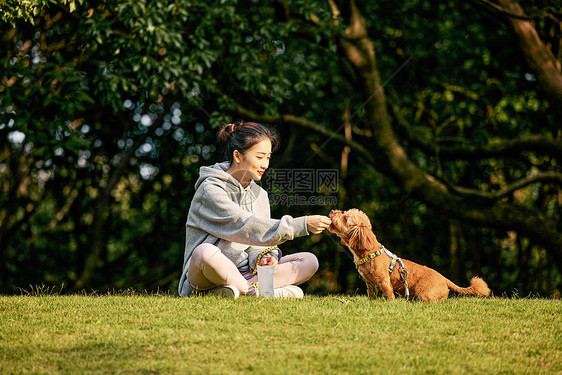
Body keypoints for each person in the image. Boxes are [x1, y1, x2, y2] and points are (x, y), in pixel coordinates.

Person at [178, 121, 332, 298]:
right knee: (204, 252)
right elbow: (245, 226)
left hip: (247, 274)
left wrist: (267, 258)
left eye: (268, 157)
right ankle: (259, 293)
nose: (265, 164)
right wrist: (301, 225)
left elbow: (259, 241)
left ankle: (240, 291)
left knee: (308, 261)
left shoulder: (260, 195)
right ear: (237, 156)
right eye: (260, 157)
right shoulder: (211, 190)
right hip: (205, 274)